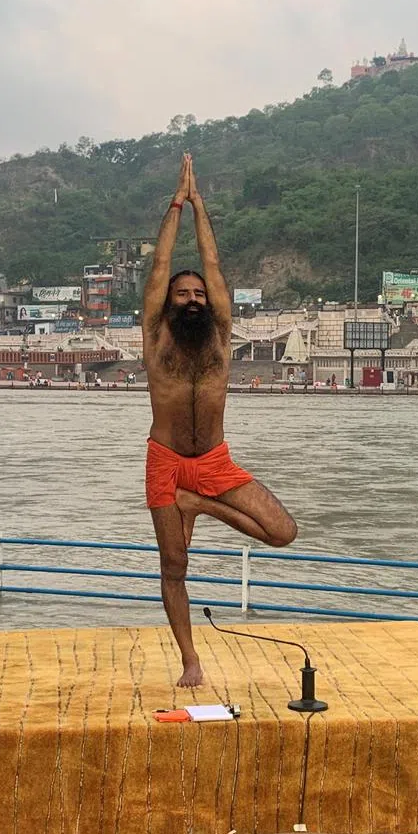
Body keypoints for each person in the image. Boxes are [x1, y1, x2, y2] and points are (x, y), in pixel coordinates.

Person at [142, 154, 297, 686]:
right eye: (182, 294)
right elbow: (160, 266)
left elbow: (213, 265)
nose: (191, 298)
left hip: (212, 463)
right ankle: (190, 659)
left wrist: (201, 206)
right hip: (165, 462)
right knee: (174, 568)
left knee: (282, 531)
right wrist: (175, 205)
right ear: (169, 301)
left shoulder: (221, 333)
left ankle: (199, 506)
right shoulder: (155, 334)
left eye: (198, 294)